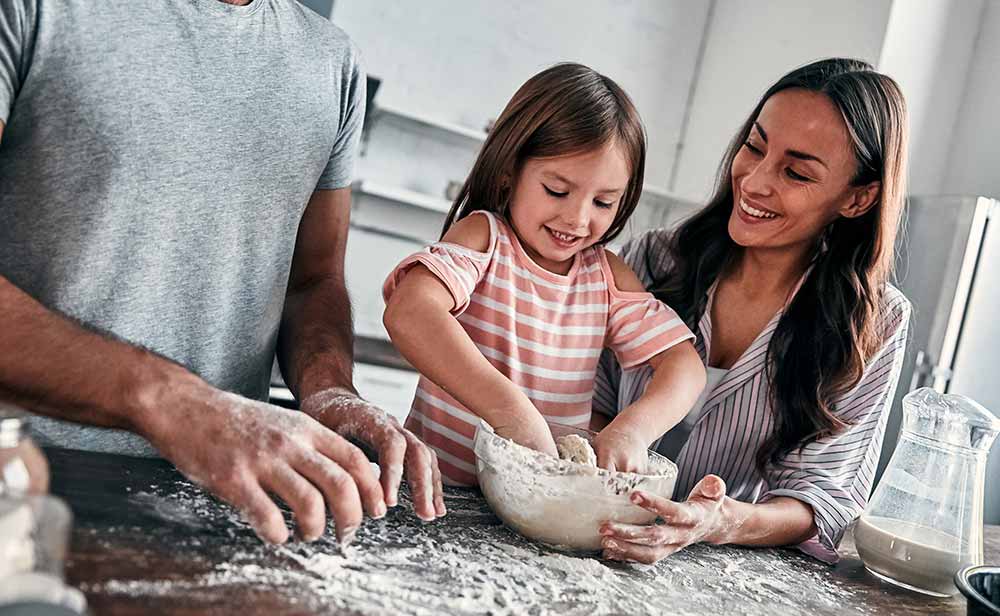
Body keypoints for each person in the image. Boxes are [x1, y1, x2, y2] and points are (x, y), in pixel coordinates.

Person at [0, 0, 444, 546]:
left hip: (225, 502)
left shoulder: (333, 64)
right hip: (18, 476)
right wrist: (174, 402)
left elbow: (311, 282)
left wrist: (330, 390)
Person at [593, 58, 912, 564]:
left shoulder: (875, 322)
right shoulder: (652, 261)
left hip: (721, 572)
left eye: (797, 172)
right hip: (593, 529)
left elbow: (822, 498)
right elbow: (587, 399)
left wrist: (717, 521)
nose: (756, 181)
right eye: (755, 146)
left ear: (857, 198)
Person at [381, 63, 707, 486]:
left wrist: (635, 429)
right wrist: (509, 410)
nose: (577, 217)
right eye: (557, 190)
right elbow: (409, 311)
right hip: (441, 492)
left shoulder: (605, 278)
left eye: (604, 202)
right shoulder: (485, 238)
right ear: (509, 171)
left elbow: (684, 365)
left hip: (540, 503)